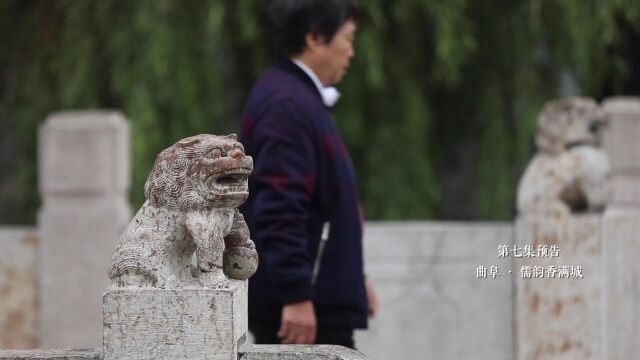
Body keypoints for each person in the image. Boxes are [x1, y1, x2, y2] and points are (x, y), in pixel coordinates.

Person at [239, 0, 377, 349]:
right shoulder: (288, 105)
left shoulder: (295, 97)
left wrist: (352, 279)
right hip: (302, 311)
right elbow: (280, 207)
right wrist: (296, 294)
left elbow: (322, 207)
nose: (351, 52)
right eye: (347, 39)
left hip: (314, 299)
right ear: (315, 37)